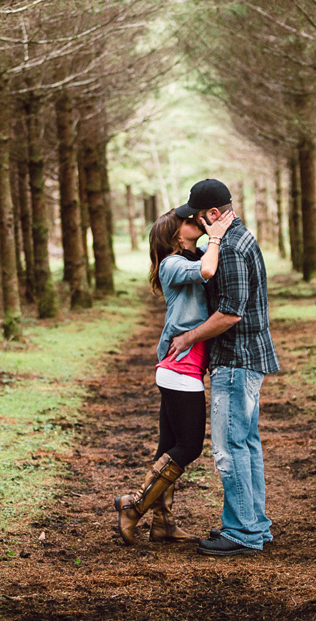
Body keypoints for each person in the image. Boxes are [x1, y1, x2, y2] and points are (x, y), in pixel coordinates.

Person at [167, 179, 280, 557]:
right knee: (245, 444)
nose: (198, 226)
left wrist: (189, 338)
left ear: (214, 214)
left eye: (200, 219)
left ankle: (243, 532)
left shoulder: (229, 248)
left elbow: (230, 313)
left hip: (234, 360)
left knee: (229, 449)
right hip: (247, 359)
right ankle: (252, 524)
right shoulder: (241, 236)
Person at [114, 207, 236, 545]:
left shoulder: (191, 254)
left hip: (182, 366)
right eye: (187, 221)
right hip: (180, 365)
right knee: (189, 446)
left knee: (167, 446)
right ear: (174, 235)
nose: (193, 222)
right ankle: (135, 506)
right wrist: (215, 234)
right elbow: (208, 269)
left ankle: (163, 522)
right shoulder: (172, 263)